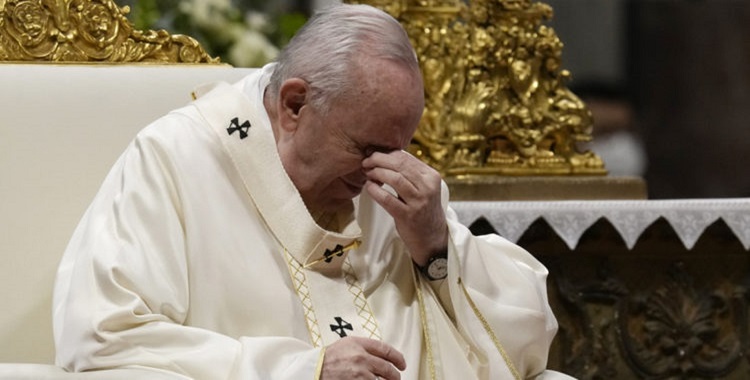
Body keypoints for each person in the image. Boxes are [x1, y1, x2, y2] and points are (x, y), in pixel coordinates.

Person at [53, 4, 574, 380]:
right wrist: (302, 370)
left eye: (399, 148)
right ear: (295, 105)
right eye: (366, 147)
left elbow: (526, 340)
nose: (381, 172)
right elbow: (104, 336)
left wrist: (435, 247)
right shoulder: (175, 159)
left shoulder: (392, 185)